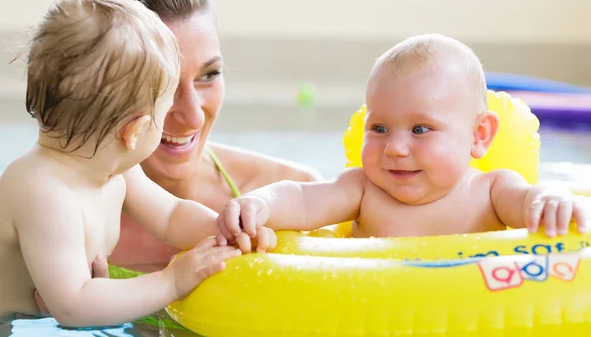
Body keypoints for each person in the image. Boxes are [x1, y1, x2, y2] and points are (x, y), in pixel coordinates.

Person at [0, 0, 252, 326]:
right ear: (135, 131)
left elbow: (171, 216)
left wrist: (222, 229)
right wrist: (171, 281)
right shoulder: (44, 194)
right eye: (164, 109)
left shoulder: (114, 173)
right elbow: (74, 306)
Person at [214, 34, 590, 251]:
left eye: (420, 129)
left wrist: (550, 199)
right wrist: (260, 203)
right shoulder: (363, 190)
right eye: (378, 128)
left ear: (479, 136)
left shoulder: (492, 190)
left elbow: (530, 201)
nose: (394, 147)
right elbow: (303, 199)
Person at [83, 0, 321, 275]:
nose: (193, 116)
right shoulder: (54, 221)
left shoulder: (296, 197)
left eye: (208, 75)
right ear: (98, 86)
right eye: (161, 84)